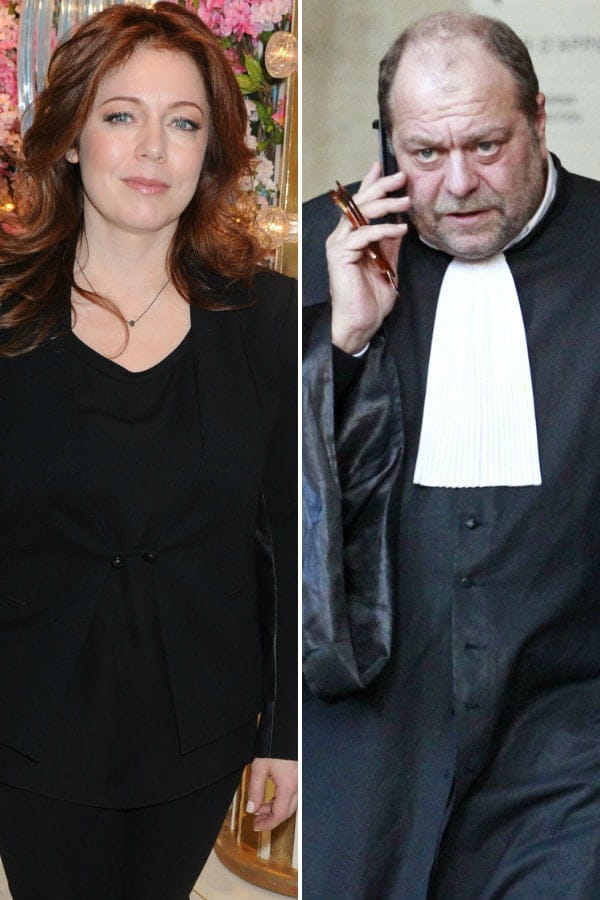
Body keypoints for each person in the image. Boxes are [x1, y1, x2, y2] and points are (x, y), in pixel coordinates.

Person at [0, 4, 297, 898]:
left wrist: (287, 732)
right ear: (69, 136)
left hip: (200, 729)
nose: (153, 149)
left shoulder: (269, 320)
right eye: (122, 115)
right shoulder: (7, 315)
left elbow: (293, 537)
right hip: (30, 724)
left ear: (212, 152)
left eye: (185, 123)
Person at [303, 11, 600, 899]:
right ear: (387, 146)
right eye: (426, 153)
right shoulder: (319, 254)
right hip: (369, 735)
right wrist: (342, 343)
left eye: (487, 145)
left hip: (567, 734)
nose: (460, 183)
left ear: (538, 119)